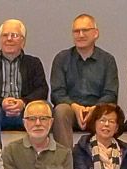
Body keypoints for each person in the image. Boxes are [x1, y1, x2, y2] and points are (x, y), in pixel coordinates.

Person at [0, 19, 49, 147]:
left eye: (14, 35)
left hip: (25, 113)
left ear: (23, 41)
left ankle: (40, 155)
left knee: (45, 108)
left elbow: (42, 90)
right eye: (5, 35)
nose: (9, 39)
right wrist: (1, 101)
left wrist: (23, 102)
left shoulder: (34, 63)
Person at [50, 13, 118, 147]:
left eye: (85, 30)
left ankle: (106, 161)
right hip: (70, 111)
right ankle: (65, 161)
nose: (80, 35)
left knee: (109, 111)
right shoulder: (61, 58)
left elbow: (111, 94)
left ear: (96, 33)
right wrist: (75, 107)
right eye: (76, 31)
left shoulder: (107, 60)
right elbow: (57, 93)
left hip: (98, 110)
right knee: (60, 110)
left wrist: (94, 109)